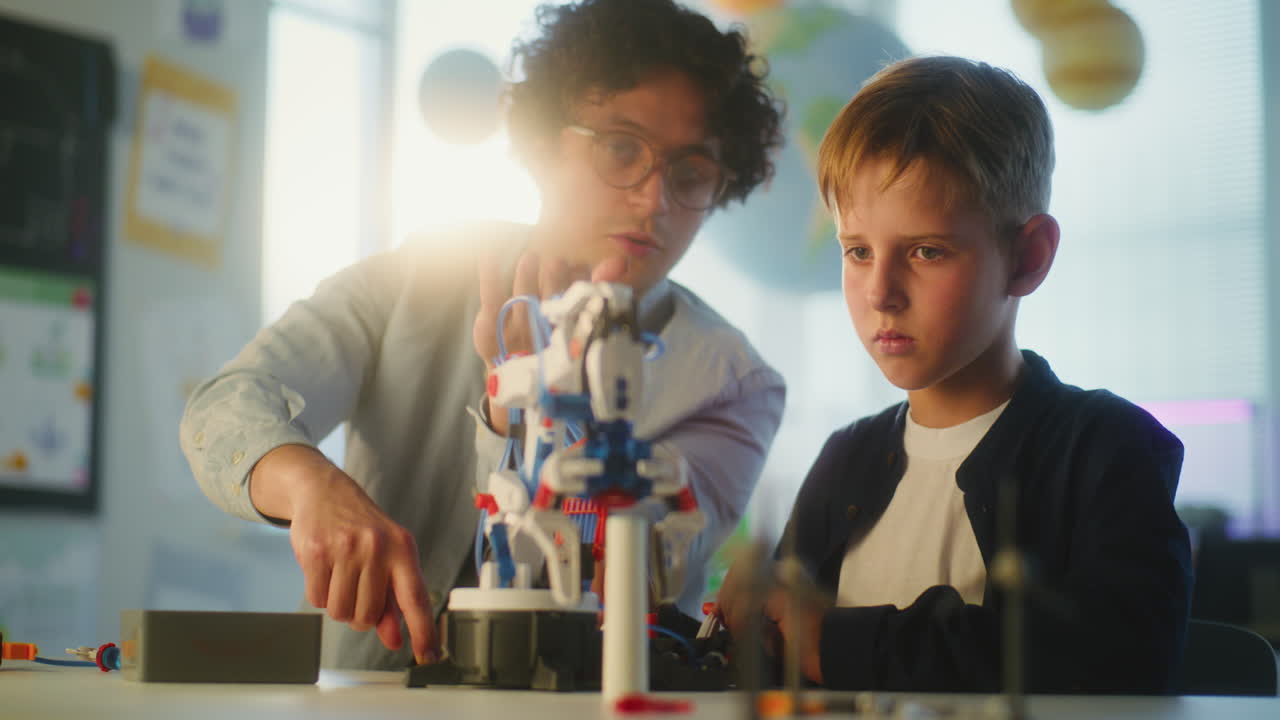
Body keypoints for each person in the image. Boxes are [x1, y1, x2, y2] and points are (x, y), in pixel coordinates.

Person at [180, 0, 786, 671]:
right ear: (545, 141)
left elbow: (636, 565)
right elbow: (226, 406)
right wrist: (310, 488)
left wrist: (527, 420)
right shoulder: (421, 276)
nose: (653, 201)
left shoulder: (734, 383)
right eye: (621, 149)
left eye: (690, 173)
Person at [717, 55, 1192, 693]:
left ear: (1027, 258)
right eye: (858, 251)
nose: (880, 292)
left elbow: (1120, 659)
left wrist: (834, 642)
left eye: (926, 251)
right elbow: (782, 654)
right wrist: (750, 624)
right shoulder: (846, 458)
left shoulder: (1106, 448)